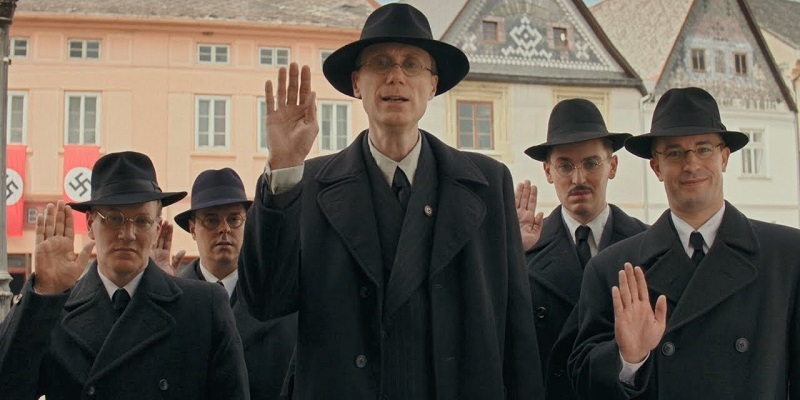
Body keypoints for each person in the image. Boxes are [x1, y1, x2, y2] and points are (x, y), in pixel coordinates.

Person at [237, 3, 544, 399]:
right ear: (356, 84)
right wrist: (283, 166)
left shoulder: (487, 183)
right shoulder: (305, 184)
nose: (396, 75)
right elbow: (264, 302)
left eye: (412, 64)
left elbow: (517, 331)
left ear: (432, 85)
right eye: (380, 62)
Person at [568, 87, 800, 399]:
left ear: (724, 157)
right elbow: (581, 382)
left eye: (703, 149)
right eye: (675, 153)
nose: (691, 165)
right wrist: (628, 358)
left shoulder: (787, 257)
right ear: (656, 167)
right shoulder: (612, 268)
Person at [0, 151, 249, 400]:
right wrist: (43, 294)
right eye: (114, 219)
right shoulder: (55, 310)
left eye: (141, 221)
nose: (128, 234)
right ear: (90, 224)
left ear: (157, 227)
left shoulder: (202, 307)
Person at [519, 98, 647, 399]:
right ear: (548, 172)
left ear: (612, 166)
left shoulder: (646, 244)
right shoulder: (523, 249)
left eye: (591, 163)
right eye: (565, 166)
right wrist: (508, 256)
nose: (578, 179)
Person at [174, 168, 297, 400]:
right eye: (211, 220)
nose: (224, 229)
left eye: (234, 219)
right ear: (192, 228)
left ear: (247, 224)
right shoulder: (172, 299)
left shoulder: (281, 300)